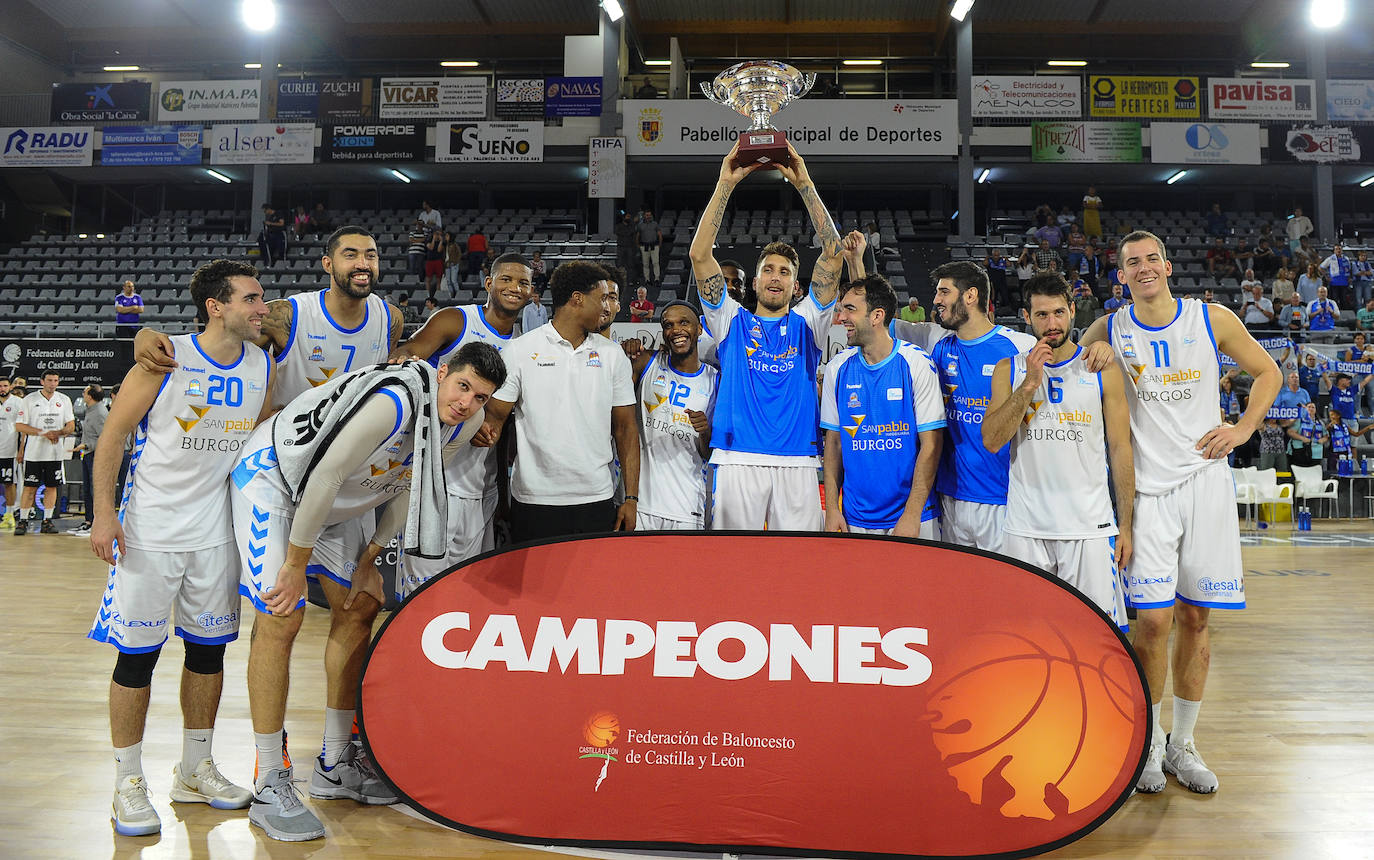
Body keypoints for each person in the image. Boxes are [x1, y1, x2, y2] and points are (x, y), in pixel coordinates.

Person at [231, 348, 500, 842]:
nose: (467, 403)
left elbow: (410, 483)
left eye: (480, 396)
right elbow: (323, 475)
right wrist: (294, 565)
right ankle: (269, 776)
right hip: (278, 479)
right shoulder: (393, 403)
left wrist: (371, 557)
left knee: (361, 606)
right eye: (462, 387)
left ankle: (336, 761)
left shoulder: (466, 422)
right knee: (281, 613)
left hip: (339, 496)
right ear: (443, 373)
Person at [1079, 230, 1281, 796]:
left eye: (1151, 259)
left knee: (1196, 619)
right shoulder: (1111, 328)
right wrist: (1083, 356)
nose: (1143, 269)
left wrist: (1242, 428)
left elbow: (1269, 373)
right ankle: (1146, 743)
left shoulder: (1209, 318)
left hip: (1205, 486)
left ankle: (1183, 744)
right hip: (1145, 496)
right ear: (1120, 276)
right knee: (1152, 622)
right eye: (1131, 263)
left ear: (1168, 266)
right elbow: (1062, 360)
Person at [86, 259, 274, 837]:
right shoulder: (164, 360)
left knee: (208, 654)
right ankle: (126, 781)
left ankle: (195, 769)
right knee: (137, 658)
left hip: (216, 535)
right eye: (250, 298)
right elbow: (112, 438)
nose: (261, 307)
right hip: (150, 532)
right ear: (217, 306)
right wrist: (103, 514)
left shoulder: (262, 362)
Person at [687, 140, 847, 531]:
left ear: (796, 287)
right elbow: (699, 256)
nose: (776, 276)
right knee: (732, 566)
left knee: (796, 570)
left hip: (798, 460)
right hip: (736, 456)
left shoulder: (809, 323)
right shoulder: (730, 320)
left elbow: (833, 253)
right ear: (755, 281)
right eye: (769, 270)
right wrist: (725, 184)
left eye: (785, 272)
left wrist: (804, 182)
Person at [983, 272, 1134, 626]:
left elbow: (1121, 449)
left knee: (1098, 637)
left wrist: (1125, 525)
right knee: (1027, 637)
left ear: (1071, 310)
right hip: (1026, 528)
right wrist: (1029, 384)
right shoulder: (1010, 369)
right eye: (1041, 315)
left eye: (1058, 313)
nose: (1051, 324)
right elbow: (991, 441)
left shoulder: (1102, 369)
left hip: (1090, 528)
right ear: (1026, 317)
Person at [387, 252, 533, 595]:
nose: (514, 287)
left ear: (531, 293)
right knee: (423, 598)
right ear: (489, 283)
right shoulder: (455, 321)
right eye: (507, 279)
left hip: (483, 487)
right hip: (435, 483)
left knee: (467, 598)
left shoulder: (528, 346)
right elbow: (408, 355)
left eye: (523, 282)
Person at [476, 261, 639, 543]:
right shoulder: (520, 351)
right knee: (538, 587)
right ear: (577, 299)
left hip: (597, 498)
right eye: (601, 298)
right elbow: (494, 423)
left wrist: (632, 498)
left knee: (592, 586)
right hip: (534, 499)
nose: (606, 307)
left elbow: (626, 429)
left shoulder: (613, 356)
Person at [891, 262, 1037, 551]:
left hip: (1004, 500)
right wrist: (857, 262)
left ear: (970, 295)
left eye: (944, 291)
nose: (936, 300)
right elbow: (877, 319)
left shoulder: (1020, 346)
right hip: (950, 498)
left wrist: (1099, 347)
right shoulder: (936, 340)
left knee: (1002, 591)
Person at [821, 274, 944, 538]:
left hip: (914, 519)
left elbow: (931, 445)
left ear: (877, 316)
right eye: (841, 309)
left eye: (850, 309)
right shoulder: (837, 369)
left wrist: (911, 516)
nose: (841, 318)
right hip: (854, 519)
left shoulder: (917, 364)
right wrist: (832, 509)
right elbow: (833, 444)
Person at [618, 301, 719, 529]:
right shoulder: (646, 362)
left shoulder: (715, 380)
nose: (676, 330)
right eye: (668, 325)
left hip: (686, 506)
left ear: (699, 329)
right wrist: (626, 348)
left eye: (684, 322)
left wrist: (704, 431)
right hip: (640, 503)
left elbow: (709, 453)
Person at [13, 369, 75, 535]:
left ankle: (47, 520)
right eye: (49, 380)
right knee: (30, 487)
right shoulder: (29, 400)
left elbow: (71, 425)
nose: (52, 384)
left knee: (51, 486)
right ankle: (23, 520)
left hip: (55, 452)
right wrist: (43, 432)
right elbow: (19, 426)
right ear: (42, 381)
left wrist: (59, 433)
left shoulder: (64, 400)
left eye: (55, 380)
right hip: (33, 452)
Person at [68, 384, 109, 536]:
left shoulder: (99, 413)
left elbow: (105, 438)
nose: (83, 394)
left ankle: (96, 523)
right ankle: (88, 521)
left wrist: (86, 444)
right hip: (87, 454)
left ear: (90, 396)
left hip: (95, 456)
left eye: (84, 392)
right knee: (87, 490)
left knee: (94, 490)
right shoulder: (91, 411)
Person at [0, 377, 19, 530]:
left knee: (9, 483)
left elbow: (22, 429)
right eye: (0, 386)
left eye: (5, 386)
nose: (2, 388)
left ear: (11, 387)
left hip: (8, 450)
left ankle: (9, 515)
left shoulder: (17, 403)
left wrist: (21, 450)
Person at [1287, 400, 1327, 467]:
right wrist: (1302, 438)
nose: (1311, 409)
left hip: (1316, 453)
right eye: (1309, 407)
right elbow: (1290, 432)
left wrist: (1323, 439)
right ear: (1305, 409)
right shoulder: (1300, 420)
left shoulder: (1320, 422)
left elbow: (1326, 435)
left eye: (1313, 407)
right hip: (1300, 450)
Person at [638, 210, 663, 284]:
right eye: (647, 215)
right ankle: (647, 279)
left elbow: (659, 235)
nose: (648, 217)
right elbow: (637, 236)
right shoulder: (640, 225)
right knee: (645, 264)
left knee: (656, 263)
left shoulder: (655, 224)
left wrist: (659, 244)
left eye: (649, 215)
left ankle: (657, 279)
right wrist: (638, 245)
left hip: (654, 245)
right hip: (644, 246)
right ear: (644, 216)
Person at [423, 227, 446, 301]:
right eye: (436, 234)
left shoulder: (443, 242)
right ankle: (428, 295)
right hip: (429, 261)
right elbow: (431, 247)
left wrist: (441, 240)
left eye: (439, 234)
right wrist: (433, 239)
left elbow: (439, 250)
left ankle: (438, 294)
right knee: (428, 279)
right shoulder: (428, 240)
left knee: (438, 279)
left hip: (438, 261)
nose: (437, 235)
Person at [614, 212, 637, 282]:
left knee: (630, 264)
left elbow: (632, 232)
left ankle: (630, 280)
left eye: (629, 217)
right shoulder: (619, 226)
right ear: (624, 218)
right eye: (627, 216)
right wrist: (627, 233)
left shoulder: (631, 226)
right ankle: (619, 280)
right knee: (619, 264)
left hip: (629, 247)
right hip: (621, 247)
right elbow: (622, 233)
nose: (628, 218)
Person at [406, 220, 428, 288]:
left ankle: (420, 281)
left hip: (421, 252)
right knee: (412, 268)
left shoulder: (425, 233)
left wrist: (415, 240)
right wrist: (420, 240)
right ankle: (411, 281)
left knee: (420, 268)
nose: (419, 226)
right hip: (412, 252)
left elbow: (425, 239)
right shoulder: (412, 232)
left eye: (420, 224)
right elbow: (411, 240)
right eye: (418, 224)